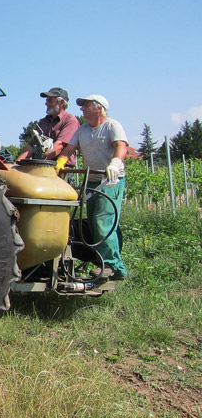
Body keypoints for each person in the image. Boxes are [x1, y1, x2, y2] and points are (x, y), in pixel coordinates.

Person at [56, 94, 128, 280]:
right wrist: (60, 163)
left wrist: (115, 164)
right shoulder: (82, 130)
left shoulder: (112, 125)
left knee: (102, 220)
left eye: (86, 105)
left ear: (99, 108)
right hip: (92, 180)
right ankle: (113, 265)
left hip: (110, 180)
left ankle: (110, 265)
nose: (82, 109)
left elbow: (121, 146)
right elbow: (69, 149)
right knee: (97, 221)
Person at [17, 87, 79, 166]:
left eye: (50, 100)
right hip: (40, 167)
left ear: (62, 103)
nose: (46, 103)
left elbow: (59, 146)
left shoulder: (70, 121)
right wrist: (17, 164)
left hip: (61, 170)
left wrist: (38, 162)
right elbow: (30, 146)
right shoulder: (43, 122)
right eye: (46, 100)